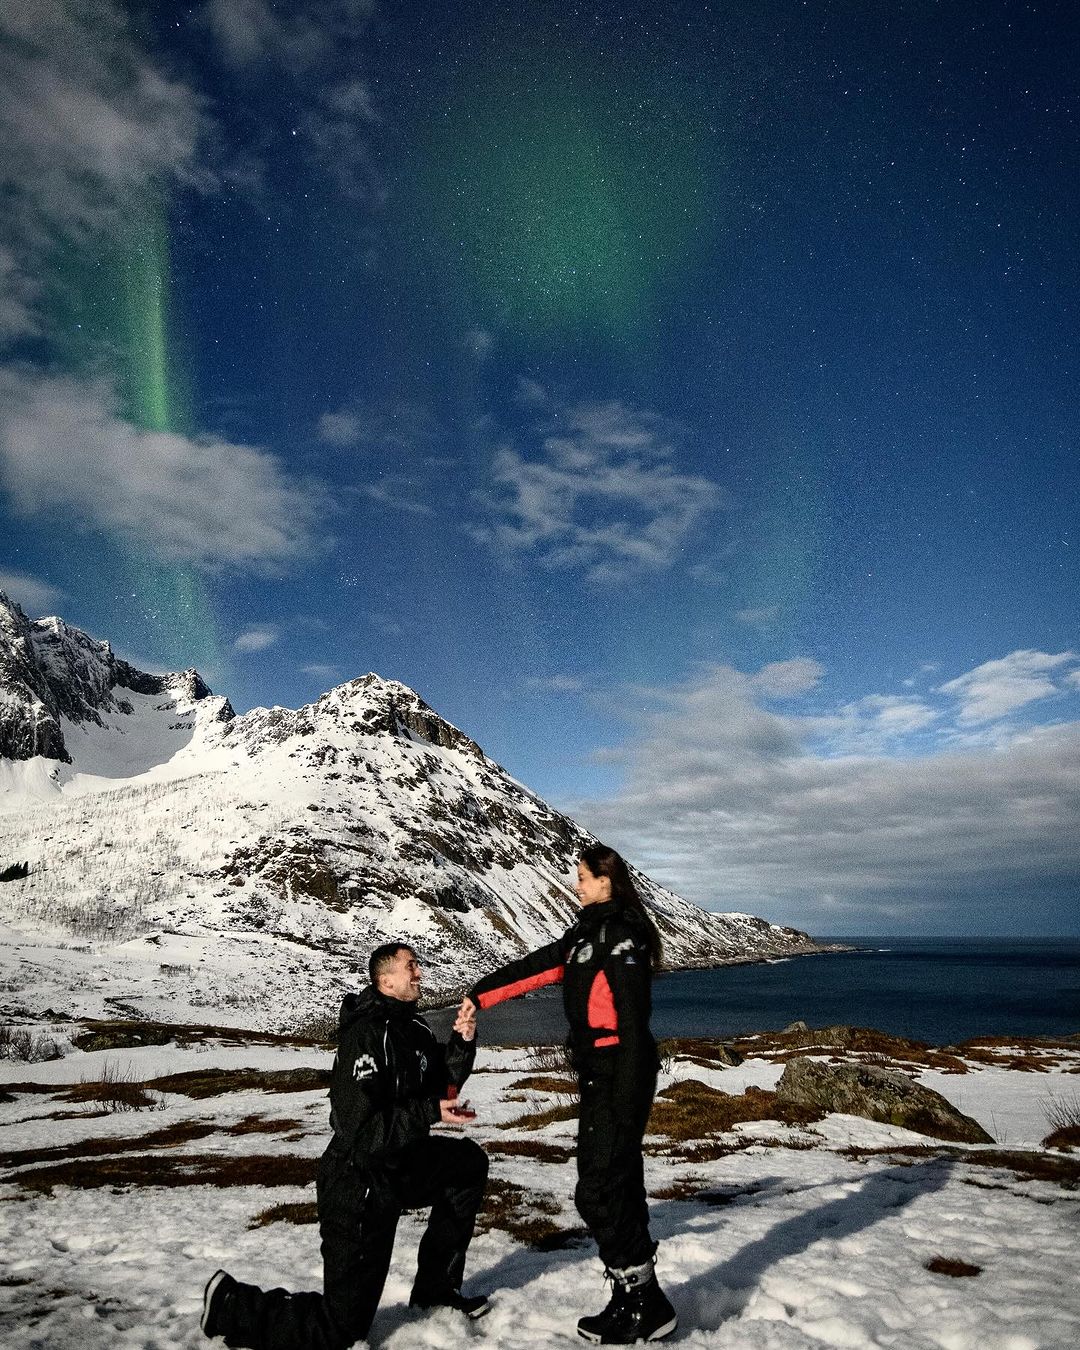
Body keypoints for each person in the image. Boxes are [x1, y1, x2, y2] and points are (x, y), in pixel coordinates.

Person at [201, 942, 488, 1349]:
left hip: (398, 1165)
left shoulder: (416, 1029)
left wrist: (462, 1042)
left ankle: (436, 1292)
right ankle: (233, 1305)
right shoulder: (364, 1036)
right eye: (412, 967)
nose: (420, 973)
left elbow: (444, 1082)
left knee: (466, 1164)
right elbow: (362, 1132)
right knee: (342, 1327)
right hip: (358, 1181)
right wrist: (428, 1112)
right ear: (386, 980)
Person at [462, 843, 677, 1345]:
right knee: (614, 1184)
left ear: (606, 880)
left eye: (581, 876)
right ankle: (638, 1299)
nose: (575, 884)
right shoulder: (585, 934)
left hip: (620, 1071)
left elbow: (631, 1016)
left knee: (600, 1188)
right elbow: (537, 968)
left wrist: (626, 1081)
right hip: (599, 1073)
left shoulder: (621, 934)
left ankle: (643, 1300)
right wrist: (478, 994)